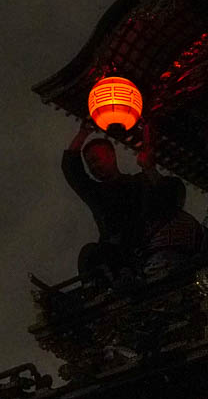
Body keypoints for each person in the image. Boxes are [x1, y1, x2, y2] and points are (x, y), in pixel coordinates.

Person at [62, 122, 191, 286]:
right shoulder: (97, 193)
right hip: (114, 258)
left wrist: (149, 168)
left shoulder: (139, 183)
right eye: (90, 164)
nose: (93, 167)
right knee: (89, 254)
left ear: (111, 156)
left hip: (147, 251)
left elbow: (173, 195)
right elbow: (72, 170)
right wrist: (83, 133)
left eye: (96, 160)